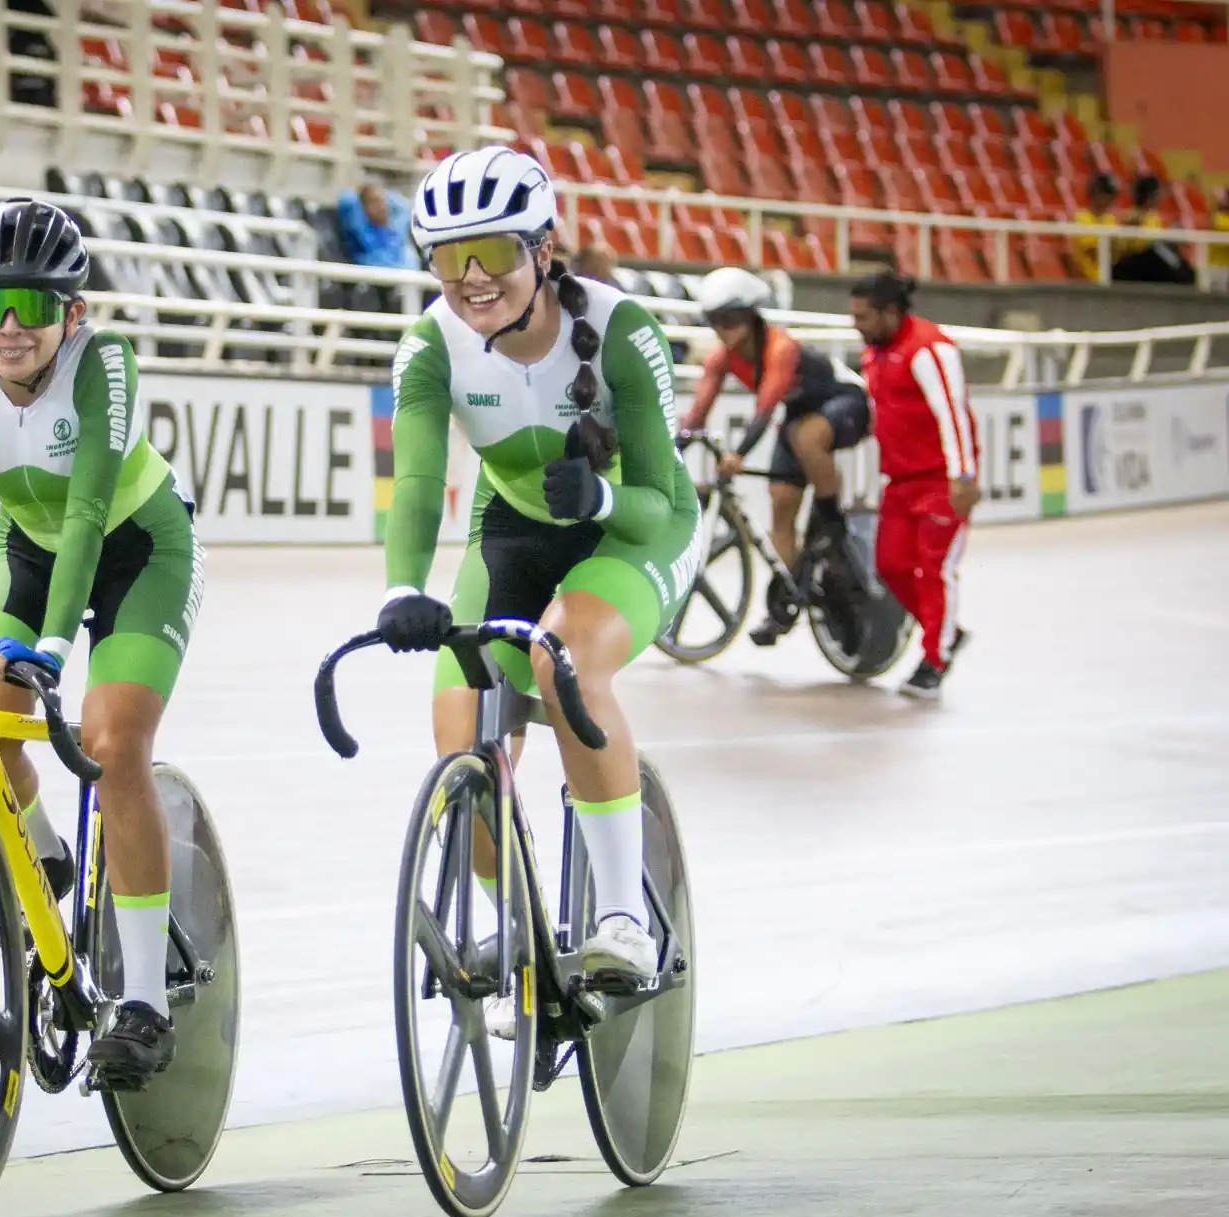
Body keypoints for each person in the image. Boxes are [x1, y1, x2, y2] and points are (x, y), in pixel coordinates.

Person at [0, 198, 204, 1085]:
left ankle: (140, 1002)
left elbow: (94, 514)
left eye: (32, 305)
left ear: (75, 310)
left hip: (139, 552)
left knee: (111, 745)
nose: (10, 328)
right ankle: (47, 852)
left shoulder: (106, 364)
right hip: (27, 547)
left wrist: (54, 647)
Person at [378, 146, 702, 1005]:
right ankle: (516, 921)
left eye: (493, 252)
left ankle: (622, 917)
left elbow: (661, 501)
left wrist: (600, 496)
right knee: (462, 731)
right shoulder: (430, 345)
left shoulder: (623, 329)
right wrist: (403, 589)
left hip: (636, 530)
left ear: (544, 251)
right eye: (450, 258)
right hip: (514, 531)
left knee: (563, 658)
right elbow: (416, 485)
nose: (472, 278)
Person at [680, 266, 871, 646]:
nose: (724, 330)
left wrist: (739, 453)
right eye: (716, 322)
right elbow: (697, 413)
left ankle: (830, 516)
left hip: (846, 402)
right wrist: (676, 446)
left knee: (805, 435)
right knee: (781, 505)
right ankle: (785, 597)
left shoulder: (780, 348)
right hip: (799, 416)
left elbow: (766, 410)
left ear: (752, 317)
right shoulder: (721, 358)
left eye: (732, 320)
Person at [848, 270, 977, 700]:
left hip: (940, 479)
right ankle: (945, 631)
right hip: (899, 480)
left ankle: (934, 660)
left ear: (890, 312)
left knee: (933, 569)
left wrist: (963, 474)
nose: (856, 325)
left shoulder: (930, 349)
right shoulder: (873, 354)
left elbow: (952, 412)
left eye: (864, 317)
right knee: (890, 565)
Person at [337, 181, 414, 269]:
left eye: (383, 201)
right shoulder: (361, 230)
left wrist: (384, 195)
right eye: (373, 202)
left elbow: (405, 206)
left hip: (409, 276)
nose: (380, 206)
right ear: (362, 207)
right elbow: (346, 199)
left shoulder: (395, 229)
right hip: (376, 276)